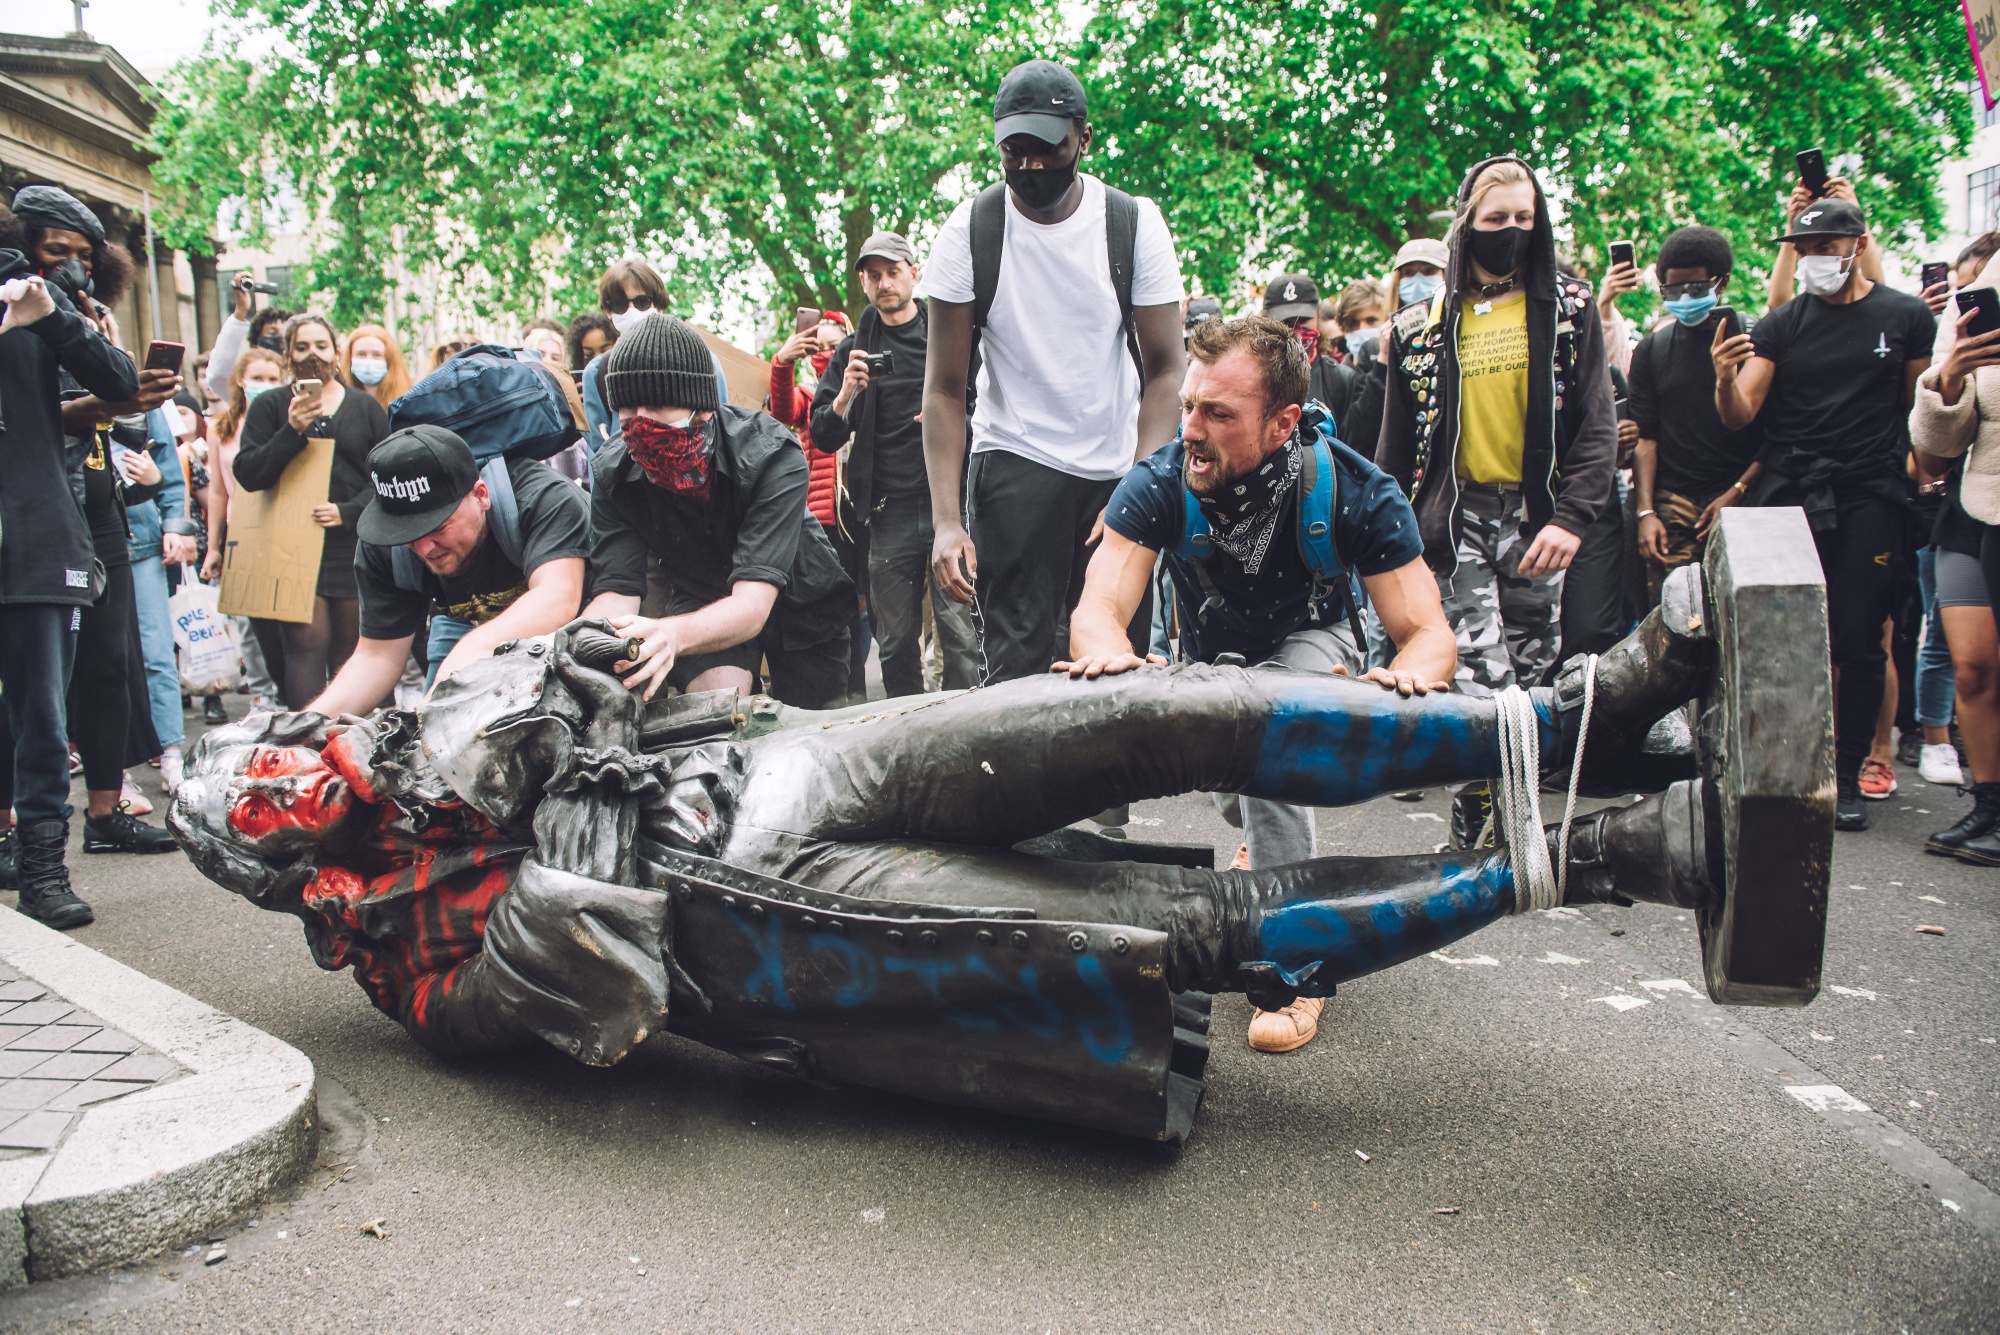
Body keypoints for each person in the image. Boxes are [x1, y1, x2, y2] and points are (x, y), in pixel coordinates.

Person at [1061, 313, 1458, 1053]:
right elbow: (1098, 608)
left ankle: (1297, 962)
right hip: (1211, 662)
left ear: (1282, 423)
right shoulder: (1158, 480)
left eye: (1218, 413)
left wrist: (1402, 685)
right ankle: (1266, 835)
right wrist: (1108, 655)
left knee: (1272, 743)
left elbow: (1430, 634)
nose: (1192, 429)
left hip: (1313, 649)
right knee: (1235, 780)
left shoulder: (1355, 489)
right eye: (1188, 405)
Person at [1376, 157, 1617, 846]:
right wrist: (1388, 544)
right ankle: (1496, 820)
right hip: (1454, 522)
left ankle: (1490, 807)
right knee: (1482, 676)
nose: (1510, 231)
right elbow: (1395, 451)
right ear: (1465, 225)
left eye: (1524, 219)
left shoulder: (1569, 310)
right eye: (1495, 220)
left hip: (1538, 519)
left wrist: (1574, 517)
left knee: (1534, 676)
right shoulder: (1416, 328)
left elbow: (1598, 426)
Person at [922, 58, 1187, 684]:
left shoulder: (1132, 223)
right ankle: (1020, 786)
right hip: (1015, 461)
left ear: (1083, 140)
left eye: (1048, 148)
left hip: (1116, 468)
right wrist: (945, 522)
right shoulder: (971, 230)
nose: (1031, 166)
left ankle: (1106, 784)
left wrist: (1141, 485)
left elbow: (1167, 371)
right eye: (1014, 151)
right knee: (1017, 674)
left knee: (1111, 655)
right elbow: (942, 390)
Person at [1714, 196, 1934, 832]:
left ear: (1858, 245)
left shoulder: (1906, 316)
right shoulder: (1782, 323)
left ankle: (1848, 778)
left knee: (1861, 640)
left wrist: (1922, 477)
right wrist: (1724, 380)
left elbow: (1918, 414)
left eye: (1826, 248)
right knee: (1779, 637)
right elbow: (1742, 414)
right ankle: (1782, 770)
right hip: (1792, 493)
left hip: (1871, 493)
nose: (1814, 259)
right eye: (1803, 249)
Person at [583, 314, 854, 706]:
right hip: (702, 596)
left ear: (703, 409)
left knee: (812, 734)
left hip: (801, 599)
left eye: (657, 405)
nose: (641, 422)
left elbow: (751, 605)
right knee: (714, 712)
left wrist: (670, 634)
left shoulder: (772, 454)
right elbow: (617, 593)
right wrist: (579, 640)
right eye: (626, 408)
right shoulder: (612, 473)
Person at [0, 237, 142, 928]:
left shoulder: (29, 299)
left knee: (43, 720)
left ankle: (43, 871)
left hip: (34, 534)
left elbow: (121, 383)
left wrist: (49, 313)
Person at [307, 427, 589, 715]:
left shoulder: (545, 500)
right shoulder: (386, 545)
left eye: (438, 528)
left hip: (581, 631)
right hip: (464, 626)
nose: (425, 548)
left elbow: (557, 596)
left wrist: (466, 658)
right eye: (408, 533)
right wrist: (305, 726)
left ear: (480, 495)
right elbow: (377, 657)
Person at [812, 234, 979, 697]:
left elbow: (992, 406)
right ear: (863, 282)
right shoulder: (853, 350)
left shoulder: (949, 336)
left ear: (913, 273)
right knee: (894, 644)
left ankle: (967, 735)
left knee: (962, 637)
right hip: (888, 514)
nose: (884, 283)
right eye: (874, 275)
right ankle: (911, 737)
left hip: (951, 506)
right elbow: (823, 433)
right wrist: (846, 395)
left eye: (893, 271)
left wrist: (953, 418)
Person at [233, 312, 392, 709]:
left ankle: (355, 744)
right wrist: (291, 432)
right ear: (287, 354)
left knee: (351, 648)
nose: (312, 356)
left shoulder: (366, 409)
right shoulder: (269, 407)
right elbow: (249, 473)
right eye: (301, 347)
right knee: (304, 645)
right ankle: (306, 745)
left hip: (352, 545)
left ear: (337, 354)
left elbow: (387, 476)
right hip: (292, 544)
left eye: (321, 347)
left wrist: (349, 511)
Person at [1910, 269, 2000, 861]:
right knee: (1971, 667)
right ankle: (1990, 805)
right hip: (1976, 500)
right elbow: (1935, 451)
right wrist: (1948, 380)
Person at [1630, 226, 1763, 599]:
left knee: (1748, 621)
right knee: (1676, 624)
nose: (1685, 298)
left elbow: (1776, 433)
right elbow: (1646, 438)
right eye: (1674, 290)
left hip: (1746, 501)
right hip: (1674, 508)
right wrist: (1646, 513)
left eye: (1697, 288)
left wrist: (1739, 490)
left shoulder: (1756, 341)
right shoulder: (1651, 350)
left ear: (1721, 284)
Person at [200, 345, 289, 707]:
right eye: (257, 378)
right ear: (240, 381)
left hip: (285, 532)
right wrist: (213, 546)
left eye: (272, 379)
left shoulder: (289, 423)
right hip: (242, 533)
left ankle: (292, 694)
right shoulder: (221, 428)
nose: (264, 385)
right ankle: (262, 699)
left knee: (289, 621)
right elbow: (218, 492)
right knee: (250, 628)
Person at [579, 258, 728, 448]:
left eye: (642, 302)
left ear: (659, 305)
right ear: (609, 311)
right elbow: (598, 452)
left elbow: (721, 432)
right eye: (620, 304)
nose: (631, 310)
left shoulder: (703, 362)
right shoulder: (597, 372)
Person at [1261, 273, 1355, 423]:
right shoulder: (1253, 379)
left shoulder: (1342, 380)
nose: (1296, 329)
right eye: (1285, 322)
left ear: (1318, 316)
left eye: (1304, 319)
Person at [202, 273, 292, 402]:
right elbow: (218, 377)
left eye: (286, 334)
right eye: (272, 333)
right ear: (257, 342)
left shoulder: (302, 380)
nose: (280, 339)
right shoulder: (245, 388)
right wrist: (240, 310)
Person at [342, 323, 414, 410]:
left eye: (377, 355)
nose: (368, 361)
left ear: (389, 360)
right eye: (361, 354)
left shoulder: (407, 404)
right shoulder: (340, 402)